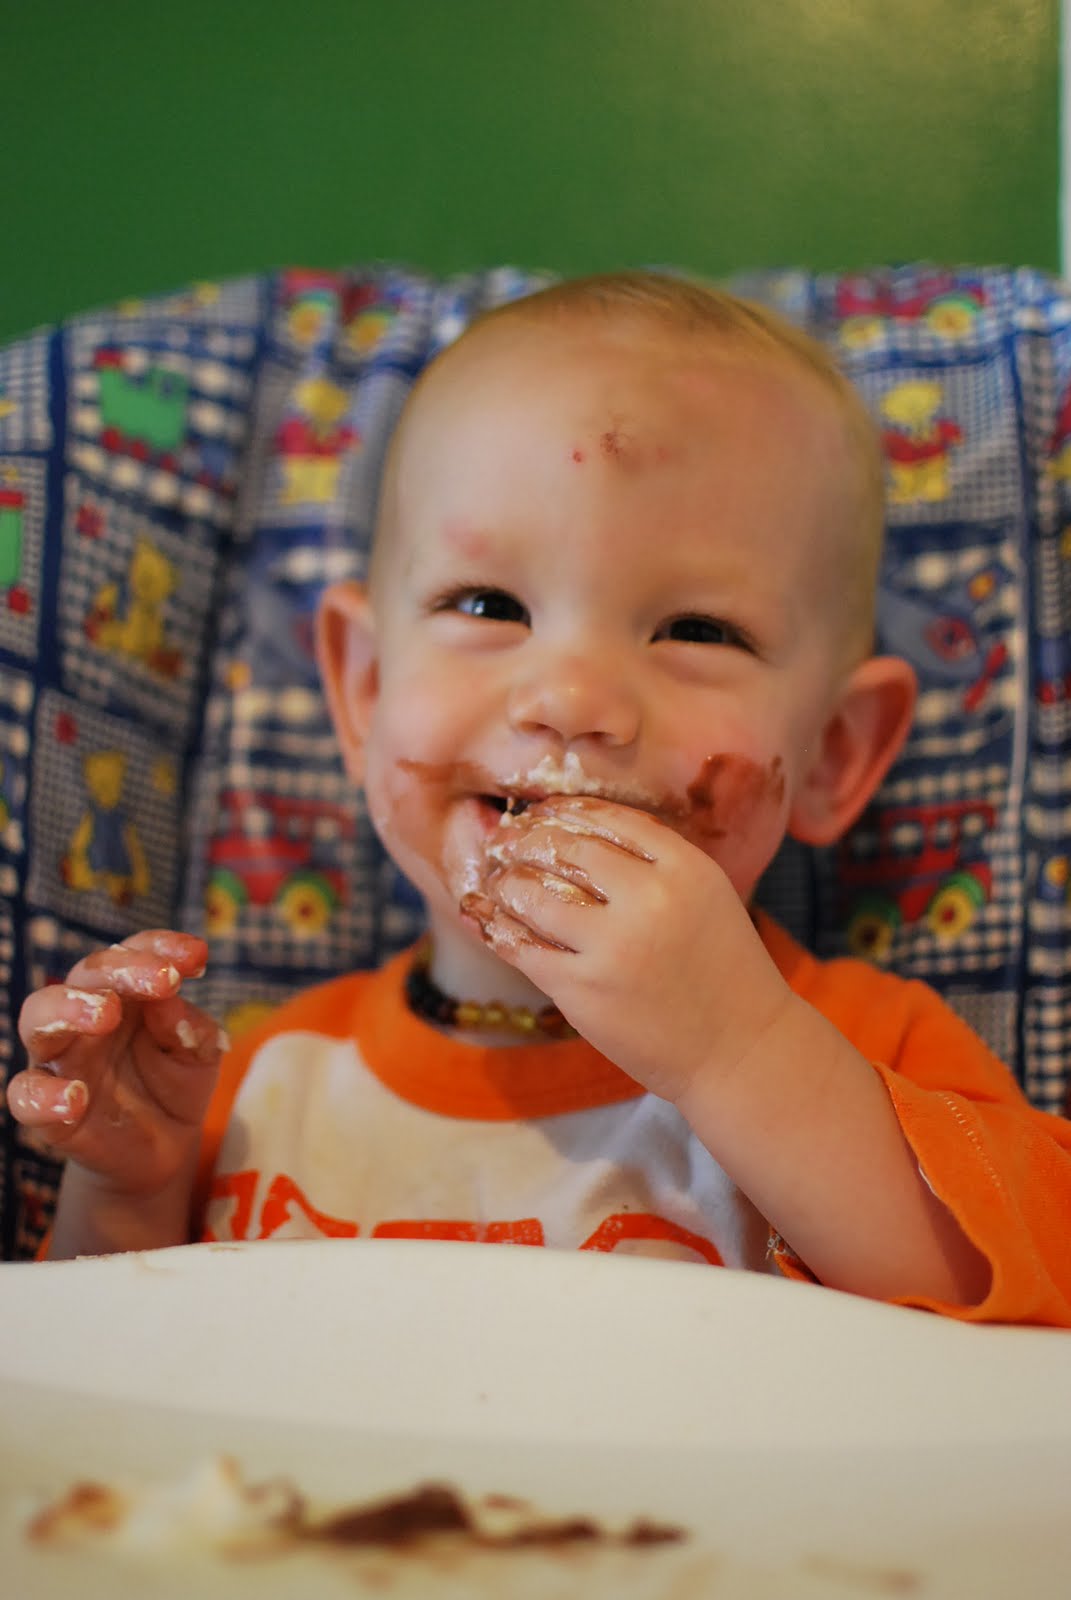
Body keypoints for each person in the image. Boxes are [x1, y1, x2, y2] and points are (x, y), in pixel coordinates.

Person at [9, 272, 1071, 1324]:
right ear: (365, 690)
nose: (571, 700)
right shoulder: (258, 1083)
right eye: (488, 605)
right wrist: (128, 1193)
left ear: (834, 751)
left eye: (696, 630)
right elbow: (108, 1383)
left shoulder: (876, 1054)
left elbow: (1039, 1314)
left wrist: (738, 1051)